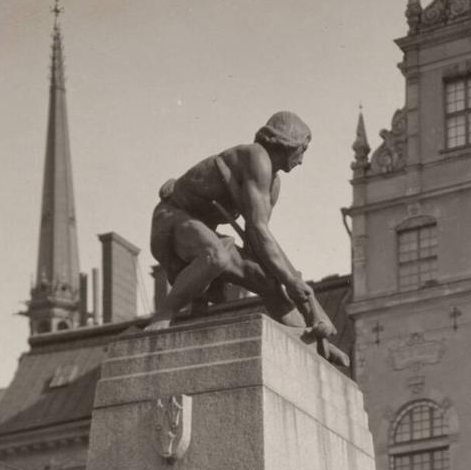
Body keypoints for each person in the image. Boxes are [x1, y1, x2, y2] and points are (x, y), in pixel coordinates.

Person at [146, 110, 341, 361]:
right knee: (216, 255)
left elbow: (258, 245)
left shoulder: (273, 185)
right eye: (302, 150)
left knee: (266, 281)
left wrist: (299, 292)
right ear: (286, 142)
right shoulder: (255, 157)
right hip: (171, 220)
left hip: (203, 232)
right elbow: (259, 230)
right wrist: (292, 279)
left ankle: (314, 343)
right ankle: (163, 316)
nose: (302, 160)